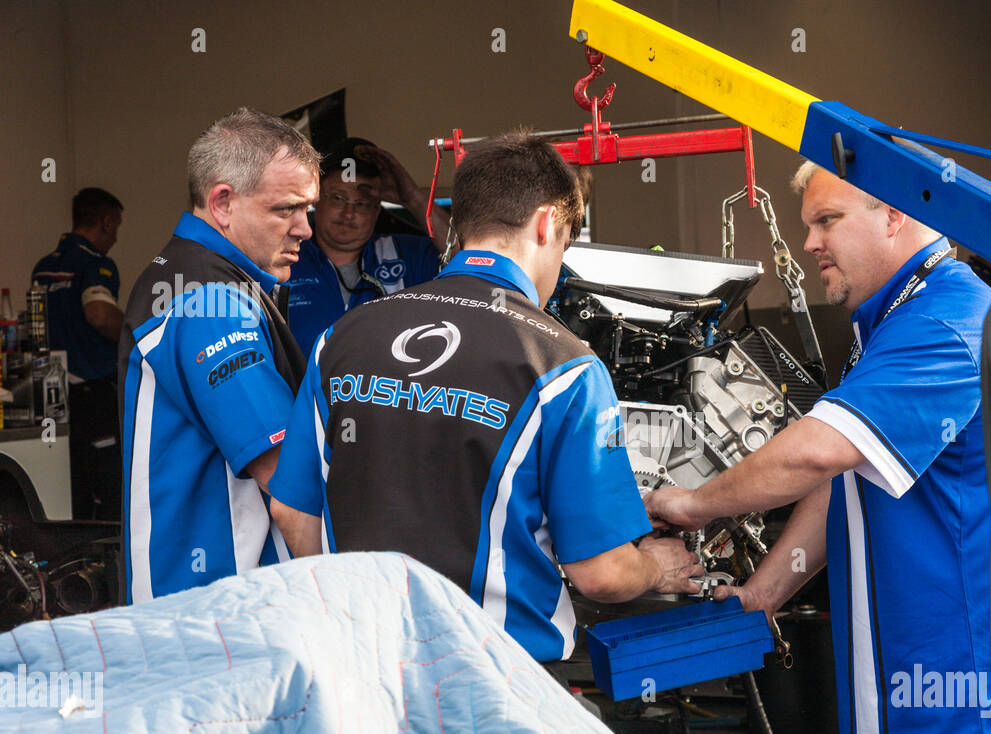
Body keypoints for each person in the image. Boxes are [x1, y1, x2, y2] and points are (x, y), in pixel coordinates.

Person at [645, 162, 991, 734]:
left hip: (954, 709)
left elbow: (815, 453)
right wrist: (762, 595)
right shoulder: (895, 320)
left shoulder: (944, 321)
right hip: (916, 698)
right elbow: (843, 480)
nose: (808, 243)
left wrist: (689, 502)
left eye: (826, 221)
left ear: (895, 214)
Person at [268, 131, 702, 662]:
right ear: (547, 224)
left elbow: (291, 510)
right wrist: (657, 566)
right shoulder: (567, 366)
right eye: (564, 245)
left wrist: (354, 612)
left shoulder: (340, 339)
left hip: (361, 660)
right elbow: (603, 574)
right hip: (497, 671)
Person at [118, 108, 319, 603]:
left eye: (308, 209)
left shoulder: (194, 278)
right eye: (286, 209)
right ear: (223, 203)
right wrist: (350, 596)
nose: (305, 229)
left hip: (205, 605)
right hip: (215, 610)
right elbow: (288, 487)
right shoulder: (210, 302)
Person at [285, 138, 449, 354]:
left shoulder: (408, 254)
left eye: (361, 203)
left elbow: (471, 257)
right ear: (316, 198)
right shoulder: (283, 256)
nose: (348, 213)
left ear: (377, 210)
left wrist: (412, 198)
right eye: (338, 198)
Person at [31, 188, 125, 518]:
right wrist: (137, 334)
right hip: (93, 393)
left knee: (71, 490)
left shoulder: (43, 268)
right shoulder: (97, 263)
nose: (115, 237)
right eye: (116, 227)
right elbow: (99, 314)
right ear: (106, 222)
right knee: (109, 492)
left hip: (52, 395)